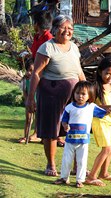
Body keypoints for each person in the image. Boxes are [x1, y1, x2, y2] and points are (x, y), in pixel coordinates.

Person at [26, 15, 86, 176]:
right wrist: (30, 98)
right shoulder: (47, 48)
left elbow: (78, 70)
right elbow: (37, 74)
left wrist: (87, 89)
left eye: (70, 29)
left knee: (75, 129)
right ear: (54, 29)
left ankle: (76, 166)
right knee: (51, 129)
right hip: (51, 93)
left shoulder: (74, 47)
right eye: (63, 27)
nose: (67, 31)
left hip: (74, 95)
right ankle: (51, 165)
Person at [54, 81, 108, 188]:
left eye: (83, 94)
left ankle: (80, 180)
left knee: (82, 161)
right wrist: (65, 126)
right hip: (70, 140)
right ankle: (64, 177)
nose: (80, 96)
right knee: (66, 159)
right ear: (74, 94)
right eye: (78, 93)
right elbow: (64, 120)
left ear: (89, 95)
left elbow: (103, 112)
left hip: (83, 141)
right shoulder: (69, 107)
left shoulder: (91, 107)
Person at [85, 58, 111, 186]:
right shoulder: (95, 87)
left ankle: (103, 173)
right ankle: (91, 177)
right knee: (106, 148)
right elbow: (90, 105)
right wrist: (106, 107)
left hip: (110, 120)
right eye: (108, 73)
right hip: (99, 120)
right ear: (100, 72)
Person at [25, 10, 54, 143]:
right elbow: (33, 56)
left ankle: (46, 134)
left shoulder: (49, 39)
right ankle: (39, 133)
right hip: (37, 76)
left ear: (37, 24)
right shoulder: (37, 38)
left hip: (48, 77)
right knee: (37, 105)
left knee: (46, 107)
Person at [18, 58, 40, 143]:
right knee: (28, 119)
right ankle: (25, 136)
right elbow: (25, 92)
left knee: (38, 120)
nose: (30, 73)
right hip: (29, 103)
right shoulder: (25, 80)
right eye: (28, 70)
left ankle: (36, 135)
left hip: (39, 103)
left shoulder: (40, 80)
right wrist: (28, 102)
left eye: (32, 70)